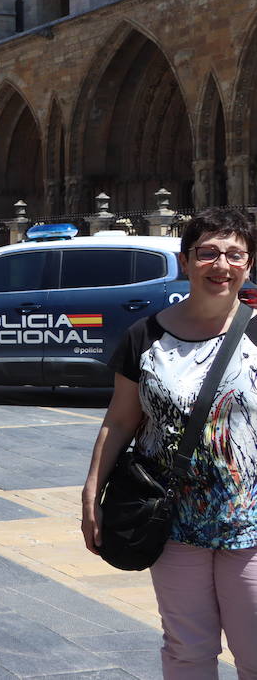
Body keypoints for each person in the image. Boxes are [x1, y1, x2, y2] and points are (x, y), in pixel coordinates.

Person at [82, 208, 257, 678]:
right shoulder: (146, 335)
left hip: (251, 526)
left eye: (234, 254)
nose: (221, 265)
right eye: (208, 253)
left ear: (249, 263)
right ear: (186, 262)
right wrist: (91, 493)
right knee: (186, 650)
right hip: (172, 520)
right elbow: (119, 422)